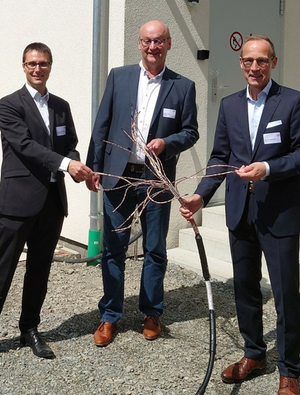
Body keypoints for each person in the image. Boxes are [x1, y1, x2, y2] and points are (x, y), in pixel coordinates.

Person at [179, 35, 300, 395]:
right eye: (248, 61)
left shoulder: (293, 102)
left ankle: (290, 369)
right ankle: (254, 354)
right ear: (240, 64)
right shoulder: (229, 106)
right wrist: (199, 196)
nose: (254, 67)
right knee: (244, 287)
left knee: (286, 292)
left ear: (273, 61)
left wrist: (268, 168)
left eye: (261, 61)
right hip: (241, 210)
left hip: (279, 212)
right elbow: (219, 157)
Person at [0, 42, 92, 371]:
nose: (37, 69)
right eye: (31, 64)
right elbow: (25, 146)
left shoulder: (61, 106)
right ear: (23, 67)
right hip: (18, 201)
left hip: (52, 203)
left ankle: (30, 328)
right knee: (3, 270)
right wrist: (66, 165)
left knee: (39, 272)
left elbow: (69, 146)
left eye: (43, 63)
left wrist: (79, 167)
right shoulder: (10, 105)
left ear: (50, 66)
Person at [85, 20, 199, 347]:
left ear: (169, 44)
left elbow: (191, 132)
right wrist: (95, 169)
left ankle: (151, 311)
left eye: (159, 41)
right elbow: (102, 124)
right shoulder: (120, 78)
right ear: (139, 43)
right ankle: (110, 315)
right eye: (148, 41)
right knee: (114, 249)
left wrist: (167, 142)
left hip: (156, 178)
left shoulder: (183, 86)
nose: (153, 47)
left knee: (155, 248)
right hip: (119, 175)